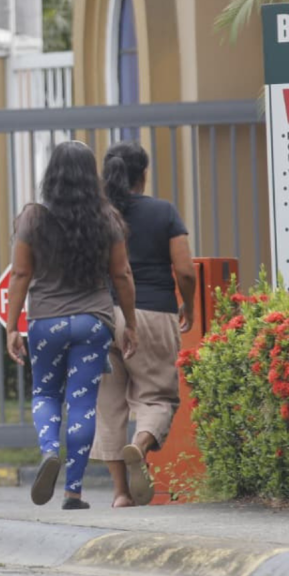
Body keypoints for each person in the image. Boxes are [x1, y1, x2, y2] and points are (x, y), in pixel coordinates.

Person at [6, 140, 138, 510]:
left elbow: (20, 273)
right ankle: (73, 492)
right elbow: (122, 274)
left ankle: (50, 450)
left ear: (52, 175)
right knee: (83, 403)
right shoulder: (106, 219)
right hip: (92, 323)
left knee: (46, 395)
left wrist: (12, 327)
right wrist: (129, 322)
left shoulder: (31, 218)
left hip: (45, 322)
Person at [92, 141, 197, 508]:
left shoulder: (96, 215)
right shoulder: (163, 212)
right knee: (157, 395)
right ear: (144, 174)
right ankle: (139, 445)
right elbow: (184, 269)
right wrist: (189, 304)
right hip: (152, 312)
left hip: (101, 316)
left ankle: (121, 494)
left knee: (108, 405)